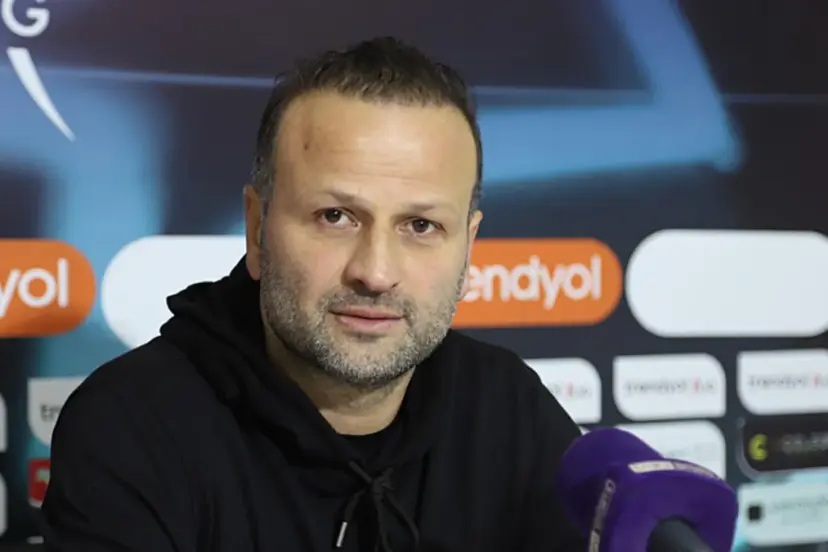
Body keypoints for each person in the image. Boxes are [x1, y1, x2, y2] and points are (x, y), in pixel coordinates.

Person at [41, 36, 586, 552]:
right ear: (257, 228)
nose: (375, 273)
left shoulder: (509, 409)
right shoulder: (132, 427)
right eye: (335, 216)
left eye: (421, 226)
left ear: (468, 246)